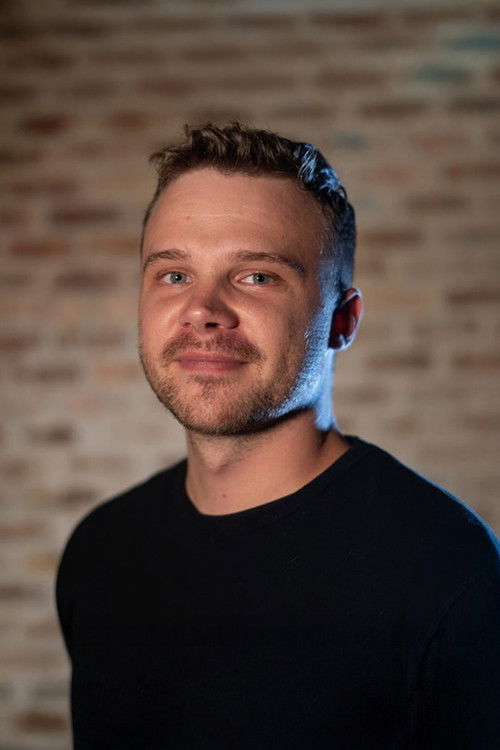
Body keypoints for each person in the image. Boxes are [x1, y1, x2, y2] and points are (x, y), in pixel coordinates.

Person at [56, 123, 500, 749]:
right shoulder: (100, 553)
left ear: (342, 320)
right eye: (174, 275)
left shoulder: (448, 571)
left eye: (257, 276)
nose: (203, 309)